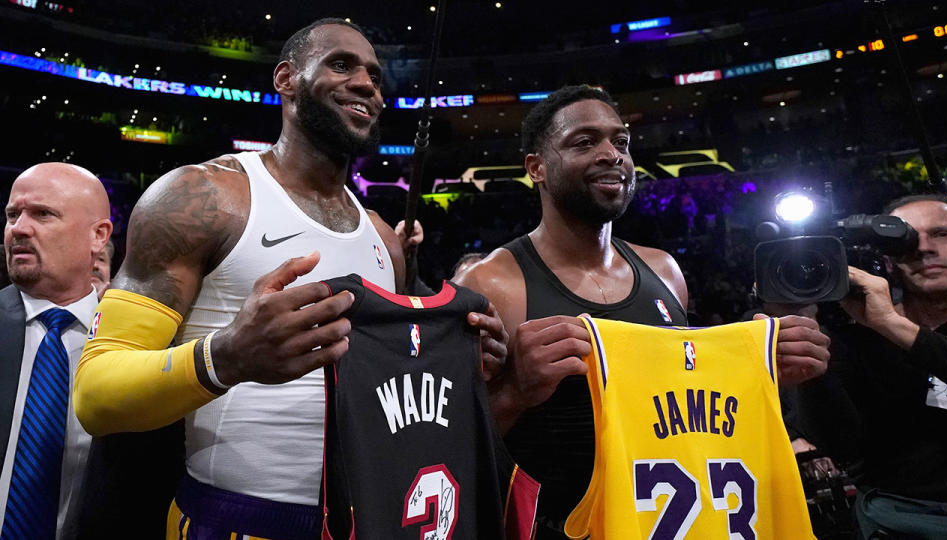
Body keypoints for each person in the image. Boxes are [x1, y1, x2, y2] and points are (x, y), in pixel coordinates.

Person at [74, 19, 505, 539]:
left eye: (374, 74)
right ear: (286, 78)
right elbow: (95, 395)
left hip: (365, 517)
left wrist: (469, 362)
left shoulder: (384, 239)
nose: (367, 83)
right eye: (342, 65)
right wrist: (226, 357)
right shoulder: (201, 198)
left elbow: (401, 389)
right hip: (231, 517)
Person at [455, 85, 831, 537]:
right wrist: (514, 389)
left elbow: (687, 404)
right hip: (558, 525)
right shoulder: (491, 283)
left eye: (621, 141)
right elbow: (451, 443)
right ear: (536, 167)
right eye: (584, 142)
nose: (612, 154)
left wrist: (759, 371)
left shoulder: (665, 270)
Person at [800, 194, 947, 538]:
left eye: (943, 234)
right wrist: (811, 367)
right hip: (895, 520)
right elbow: (842, 447)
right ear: (887, 261)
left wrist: (891, 324)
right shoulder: (861, 336)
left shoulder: (883, 324)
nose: (924, 249)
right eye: (906, 239)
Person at [0, 163, 112, 539]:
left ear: (98, 236)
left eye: (43, 214)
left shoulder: (136, 346)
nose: (19, 228)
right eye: (12, 214)